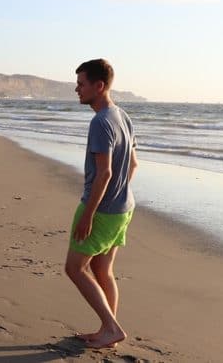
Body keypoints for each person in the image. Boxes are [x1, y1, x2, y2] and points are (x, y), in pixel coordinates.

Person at [65, 59, 138, 349]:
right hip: (124, 207)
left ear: (99, 85)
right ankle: (109, 328)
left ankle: (110, 327)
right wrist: (120, 193)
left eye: (81, 84)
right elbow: (133, 163)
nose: (77, 89)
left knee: (74, 268)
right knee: (102, 269)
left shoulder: (101, 121)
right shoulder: (123, 116)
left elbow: (105, 172)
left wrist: (89, 215)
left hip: (102, 209)